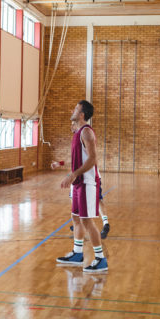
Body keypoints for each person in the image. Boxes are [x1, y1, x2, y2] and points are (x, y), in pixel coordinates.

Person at [56, 100, 108, 273]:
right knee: (75, 218)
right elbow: (78, 158)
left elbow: (92, 159)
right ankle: (77, 254)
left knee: (87, 221)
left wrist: (74, 174)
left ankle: (100, 259)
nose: (72, 110)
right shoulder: (77, 132)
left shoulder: (86, 132)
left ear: (82, 114)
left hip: (86, 182)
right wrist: (64, 166)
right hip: (78, 183)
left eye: (75, 109)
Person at [51, 120, 110, 239]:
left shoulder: (85, 136)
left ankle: (105, 223)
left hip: (90, 178)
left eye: (73, 123)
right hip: (78, 179)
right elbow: (72, 160)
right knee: (74, 200)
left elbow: (92, 158)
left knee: (98, 200)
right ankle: (79, 224)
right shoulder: (75, 140)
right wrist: (59, 163)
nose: (71, 125)